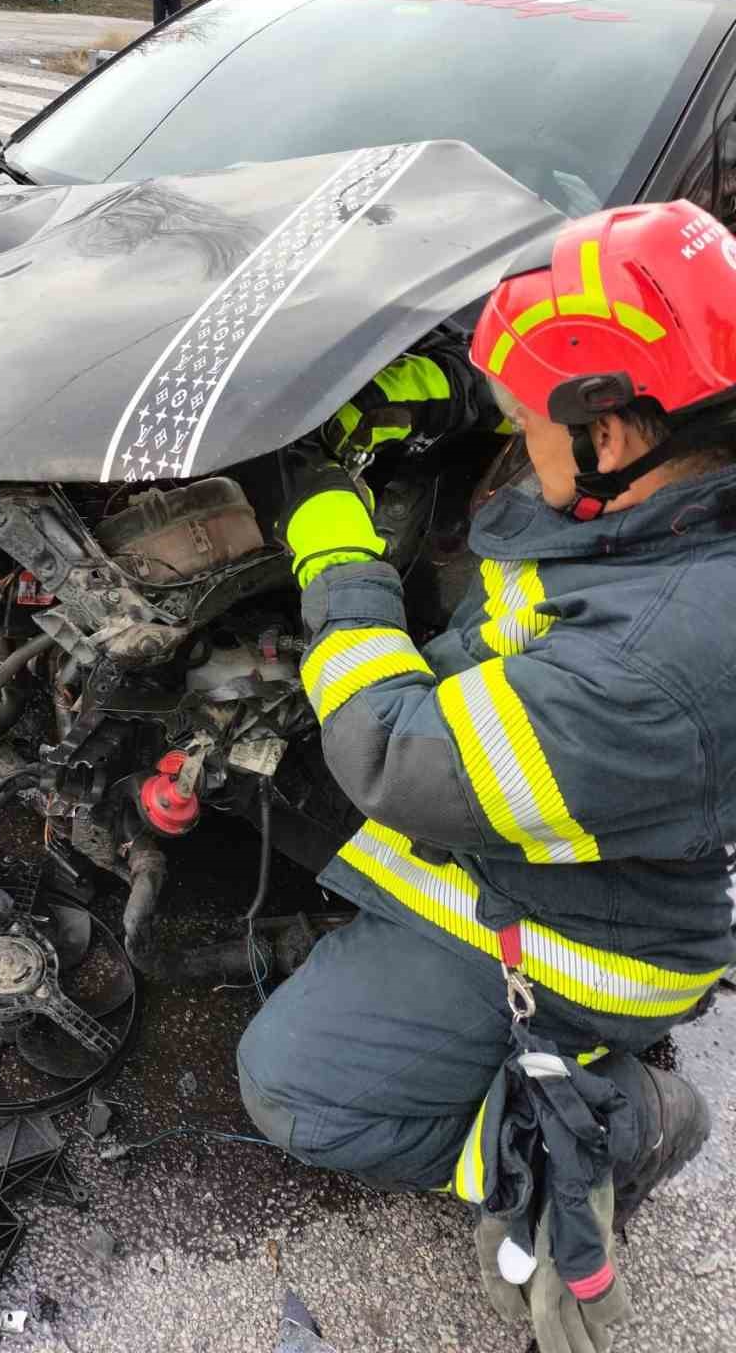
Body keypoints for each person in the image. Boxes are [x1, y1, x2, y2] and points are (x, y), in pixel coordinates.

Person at [238, 200, 735, 1349]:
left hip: (598, 935)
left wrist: (335, 550)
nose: (512, 441)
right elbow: (533, 418)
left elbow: (392, 756)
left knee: (295, 1084)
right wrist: (412, 395)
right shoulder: (675, 461)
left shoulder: (651, 663)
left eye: (529, 424)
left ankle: (615, 1120)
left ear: (611, 435)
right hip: (576, 811)